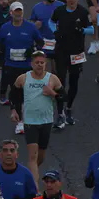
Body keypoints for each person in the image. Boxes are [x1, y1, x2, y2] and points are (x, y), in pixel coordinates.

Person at [10, 51, 63, 187]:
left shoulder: (53, 79)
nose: (40, 65)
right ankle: (35, 189)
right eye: (37, 63)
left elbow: (64, 98)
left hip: (46, 121)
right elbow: (13, 95)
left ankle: (28, 175)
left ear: (46, 63)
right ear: (31, 64)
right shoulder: (23, 78)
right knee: (32, 157)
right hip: (30, 122)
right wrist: (14, 110)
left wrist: (53, 94)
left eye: (42, 62)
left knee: (41, 157)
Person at [50, 0, 94, 127]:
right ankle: (60, 112)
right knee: (60, 82)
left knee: (74, 82)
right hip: (61, 51)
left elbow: (91, 29)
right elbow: (51, 22)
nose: (71, 0)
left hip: (77, 52)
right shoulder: (59, 11)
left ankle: (68, 108)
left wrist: (82, 30)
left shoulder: (83, 12)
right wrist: (54, 31)